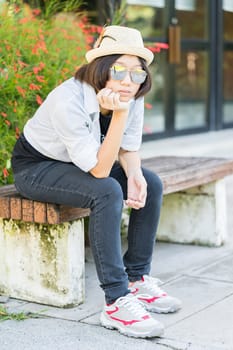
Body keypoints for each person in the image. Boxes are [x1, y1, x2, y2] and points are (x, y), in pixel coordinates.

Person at [11, 25, 181, 338]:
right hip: (37, 168)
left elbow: (128, 148)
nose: (129, 81)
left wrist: (135, 174)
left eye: (137, 73)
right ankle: (116, 301)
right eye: (119, 70)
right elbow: (101, 172)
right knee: (106, 191)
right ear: (100, 68)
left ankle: (137, 279)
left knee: (151, 183)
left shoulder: (132, 91)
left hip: (81, 165)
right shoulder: (69, 99)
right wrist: (118, 114)